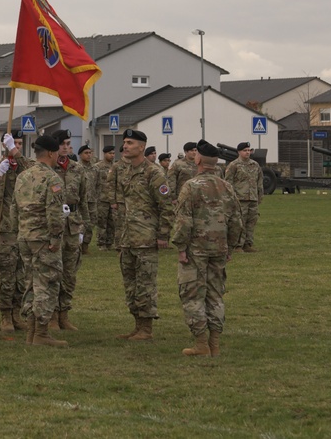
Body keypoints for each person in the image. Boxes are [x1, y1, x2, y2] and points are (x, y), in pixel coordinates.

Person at [171, 139, 242, 357]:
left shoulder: (191, 186)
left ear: (198, 159)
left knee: (193, 294)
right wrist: (230, 246)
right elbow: (236, 221)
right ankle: (215, 344)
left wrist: (181, 246)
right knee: (215, 295)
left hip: (196, 249)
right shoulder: (226, 187)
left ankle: (201, 344)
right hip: (219, 249)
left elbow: (184, 220)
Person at [107, 129, 174, 341]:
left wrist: (163, 234)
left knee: (145, 285)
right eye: (125, 142)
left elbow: (166, 207)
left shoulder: (154, 173)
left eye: (130, 143)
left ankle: (146, 329)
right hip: (127, 237)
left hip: (146, 238)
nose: (125, 146)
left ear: (142, 147)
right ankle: (137, 325)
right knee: (130, 285)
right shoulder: (122, 170)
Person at [15, 134, 68, 347]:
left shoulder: (22, 176)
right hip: (44, 239)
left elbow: (13, 207)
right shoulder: (52, 178)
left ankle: (31, 331)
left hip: (25, 236)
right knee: (47, 283)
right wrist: (56, 238)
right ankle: (42, 333)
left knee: (31, 283)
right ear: (50, 153)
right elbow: (54, 212)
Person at [49, 129, 88, 332]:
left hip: (72, 225)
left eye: (67, 143)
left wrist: (84, 226)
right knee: (53, 271)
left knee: (69, 273)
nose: (66, 147)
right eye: (62, 143)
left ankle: (64, 313)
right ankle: (52, 316)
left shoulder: (77, 169)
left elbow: (84, 199)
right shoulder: (48, 168)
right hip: (53, 224)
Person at [0, 130, 30, 333]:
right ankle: (5, 314)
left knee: (21, 274)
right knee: (7, 273)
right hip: (5, 227)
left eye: (20, 143)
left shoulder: (25, 165)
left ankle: (17, 312)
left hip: (24, 226)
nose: (17, 145)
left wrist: (15, 153)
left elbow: (34, 172)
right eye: (13, 143)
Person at [225, 142, 263, 253]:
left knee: (251, 221)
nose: (247, 152)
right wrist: (231, 198)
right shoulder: (234, 165)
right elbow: (228, 182)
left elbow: (259, 181)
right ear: (239, 152)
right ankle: (237, 245)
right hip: (240, 198)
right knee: (239, 222)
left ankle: (248, 244)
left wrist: (259, 196)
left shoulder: (255, 165)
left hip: (253, 198)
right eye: (245, 150)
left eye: (249, 150)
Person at [77, 144, 98, 253]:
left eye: (90, 153)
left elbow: (98, 184)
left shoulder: (95, 168)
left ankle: (86, 244)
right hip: (81, 200)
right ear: (80, 155)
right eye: (86, 153)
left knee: (91, 223)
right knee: (81, 223)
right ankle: (78, 245)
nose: (89, 155)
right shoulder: (77, 168)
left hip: (92, 200)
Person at [95, 145, 117, 250]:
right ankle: (101, 243)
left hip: (112, 199)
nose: (112, 155)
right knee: (102, 222)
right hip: (102, 198)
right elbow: (94, 182)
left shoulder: (116, 166)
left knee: (112, 222)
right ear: (104, 154)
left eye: (113, 153)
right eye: (110, 153)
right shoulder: (98, 167)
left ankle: (110, 242)